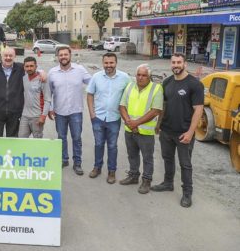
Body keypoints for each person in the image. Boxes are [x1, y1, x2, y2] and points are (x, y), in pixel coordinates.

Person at [151, 53, 204, 208]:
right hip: (166, 131)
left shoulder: (194, 84)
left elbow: (198, 110)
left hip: (184, 133)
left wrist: (190, 133)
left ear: (185, 64)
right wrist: (158, 125)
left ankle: (187, 193)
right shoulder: (166, 82)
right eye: (173, 62)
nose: (176, 65)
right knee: (167, 159)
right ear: (170, 64)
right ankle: (168, 183)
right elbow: (164, 106)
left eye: (179, 62)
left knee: (185, 164)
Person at [119, 64, 163, 194]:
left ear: (149, 76)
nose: (140, 77)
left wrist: (135, 123)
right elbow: (122, 106)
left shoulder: (156, 88)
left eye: (144, 75)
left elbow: (155, 111)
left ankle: (146, 180)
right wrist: (129, 122)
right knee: (132, 155)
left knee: (147, 157)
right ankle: (133, 175)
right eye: (138, 74)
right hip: (129, 129)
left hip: (145, 132)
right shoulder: (130, 86)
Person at [86, 53, 130, 183]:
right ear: (102, 63)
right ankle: (97, 167)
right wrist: (92, 114)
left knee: (112, 146)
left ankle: (112, 171)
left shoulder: (125, 78)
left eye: (111, 63)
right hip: (98, 118)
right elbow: (89, 95)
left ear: (116, 63)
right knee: (98, 144)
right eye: (106, 63)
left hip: (114, 119)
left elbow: (131, 94)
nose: (108, 65)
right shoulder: (96, 77)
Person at [48, 46, 92, 175]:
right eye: (61, 55)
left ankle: (77, 163)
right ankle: (64, 159)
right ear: (58, 57)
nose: (63, 57)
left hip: (75, 111)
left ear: (70, 55)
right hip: (59, 111)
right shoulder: (52, 72)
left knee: (77, 137)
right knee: (61, 137)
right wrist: (50, 108)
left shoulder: (80, 70)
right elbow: (48, 92)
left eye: (65, 54)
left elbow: (93, 82)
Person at [18, 56, 51, 138]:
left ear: (36, 66)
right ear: (24, 67)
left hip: (37, 116)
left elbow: (47, 99)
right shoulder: (24, 78)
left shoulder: (42, 79)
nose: (29, 68)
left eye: (31, 66)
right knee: (21, 140)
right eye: (27, 66)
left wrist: (43, 116)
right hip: (24, 116)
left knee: (37, 142)